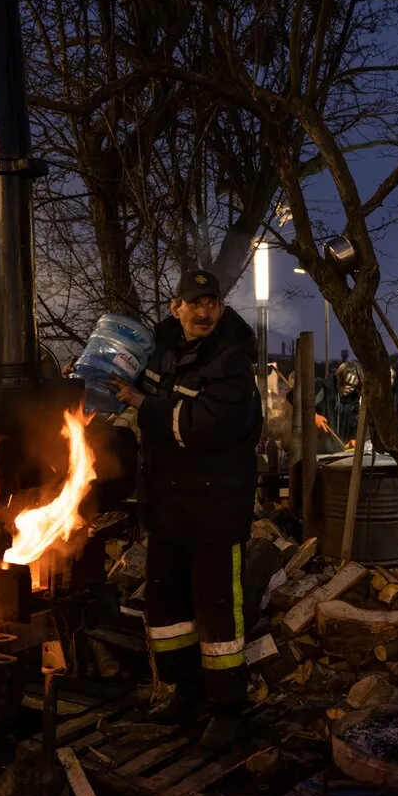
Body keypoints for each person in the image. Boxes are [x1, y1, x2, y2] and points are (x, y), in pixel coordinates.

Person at [112, 268, 262, 749]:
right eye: (194, 303)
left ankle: (227, 709)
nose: (204, 312)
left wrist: (142, 403)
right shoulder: (160, 347)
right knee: (169, 609)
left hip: (215, 510)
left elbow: (203, 427)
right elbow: (129, 384)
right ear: (175, 307)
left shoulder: (233, 359)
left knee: (218, 615)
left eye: (212, 303)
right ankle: (184, 692)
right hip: (168, 505)